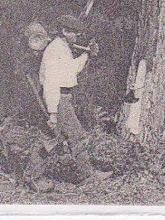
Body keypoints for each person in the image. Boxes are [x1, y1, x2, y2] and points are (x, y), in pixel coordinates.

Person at [25, 14, 112, 192]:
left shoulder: (62, 48)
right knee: (76, 136)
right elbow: (51, 83)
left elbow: (71, 70)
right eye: (74, 33)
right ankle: (88, 175)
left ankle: (33, 177)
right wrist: (53, 112)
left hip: (62, 97)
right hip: (58, 99)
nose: (77, 36)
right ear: (64, 31)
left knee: (49, 139)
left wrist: (87, 55)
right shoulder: (55, 50)